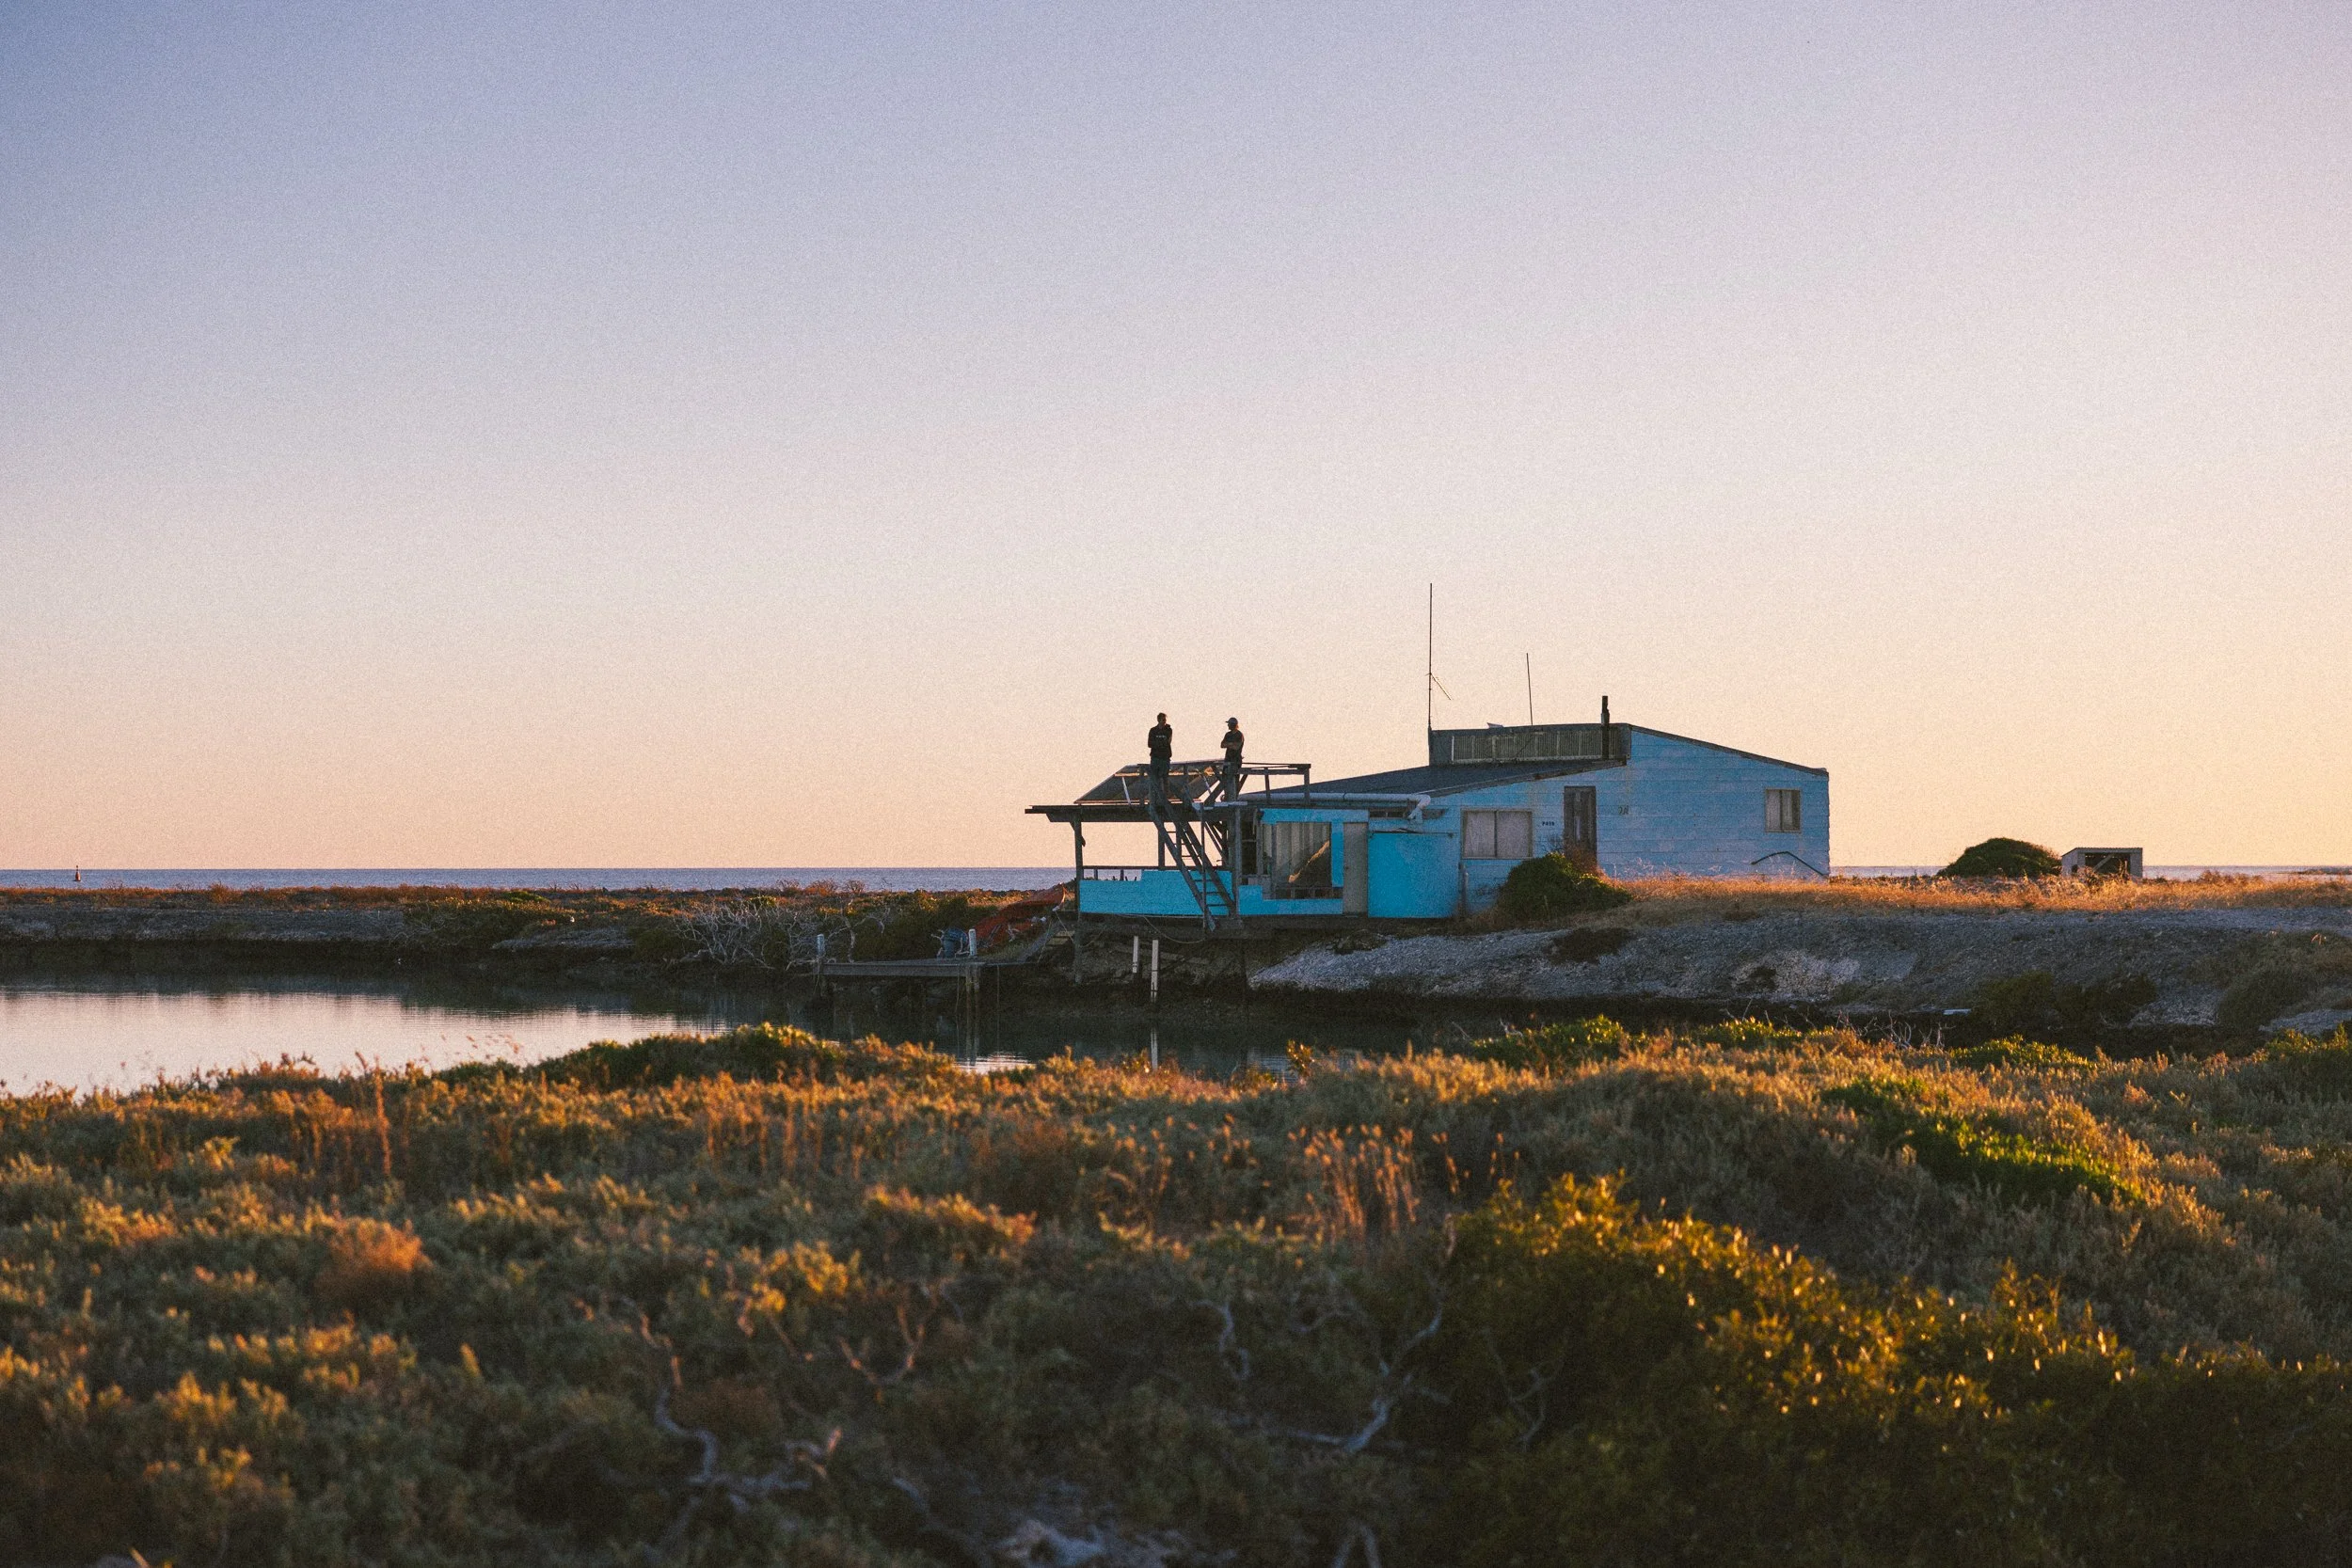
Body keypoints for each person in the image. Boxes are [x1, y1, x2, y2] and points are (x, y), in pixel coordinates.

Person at [1147, 712, 1173, 804]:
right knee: (1154, 779)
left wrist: (1157, 744)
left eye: (1165, 720)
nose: (1164, 722)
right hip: (1155, 758)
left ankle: (1165, 798)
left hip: (1165, 758)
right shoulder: (1153, 730)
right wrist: (1160, 744)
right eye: (1163, 720)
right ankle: (1153, 799)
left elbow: (1167, 742)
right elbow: (1149, 744)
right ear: (1158, 720)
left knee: (1165, 778)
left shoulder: (1168, 730)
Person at [1220, 717, 1245, 797]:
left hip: (1236, 760)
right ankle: (1227, 795)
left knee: (1236, 778)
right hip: (1227, 760)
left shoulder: (1239, 734)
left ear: (1233, 725)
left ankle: (1235, 796)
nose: (1228, 725)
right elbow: (1222, 745)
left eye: (1229, 724)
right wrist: (1231, 744)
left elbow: (1237, 747)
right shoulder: (1228, 734)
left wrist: (1229, 744)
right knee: (1225, 777)